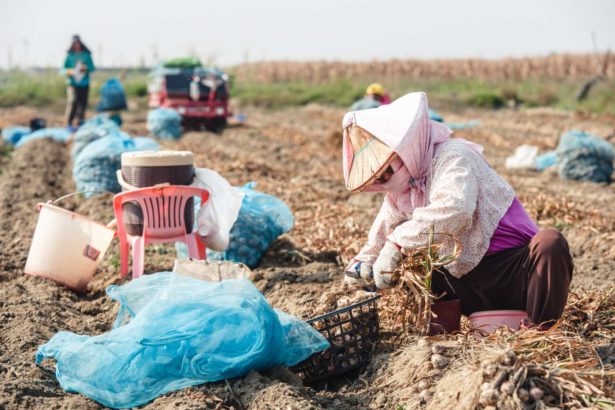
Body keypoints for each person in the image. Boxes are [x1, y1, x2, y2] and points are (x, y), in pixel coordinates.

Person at [342, 92, 573, 334]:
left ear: (405, 151)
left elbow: (456, 209)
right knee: (417, 259)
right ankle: (442, 337)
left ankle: (540, 332)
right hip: (468, 283)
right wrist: (361, 264)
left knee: (550, 243)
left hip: (514, 273)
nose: (386, 182)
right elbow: (382, 235)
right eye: (380, 179)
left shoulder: (453, 157)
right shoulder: (404, 189)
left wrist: (398, 244)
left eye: (387, 172)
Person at [62, 35, 95, 130]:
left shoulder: (86, 55)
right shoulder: (70, 56)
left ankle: (80, 123)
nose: (77, 45)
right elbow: (63, 70)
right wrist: (70, 71)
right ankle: (68, 123)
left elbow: (92, 67)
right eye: (75, 43)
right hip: (72, 83)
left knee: (83, 104)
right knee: (73, 101)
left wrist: (86, 69)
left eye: (78, 43)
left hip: (84, 83)